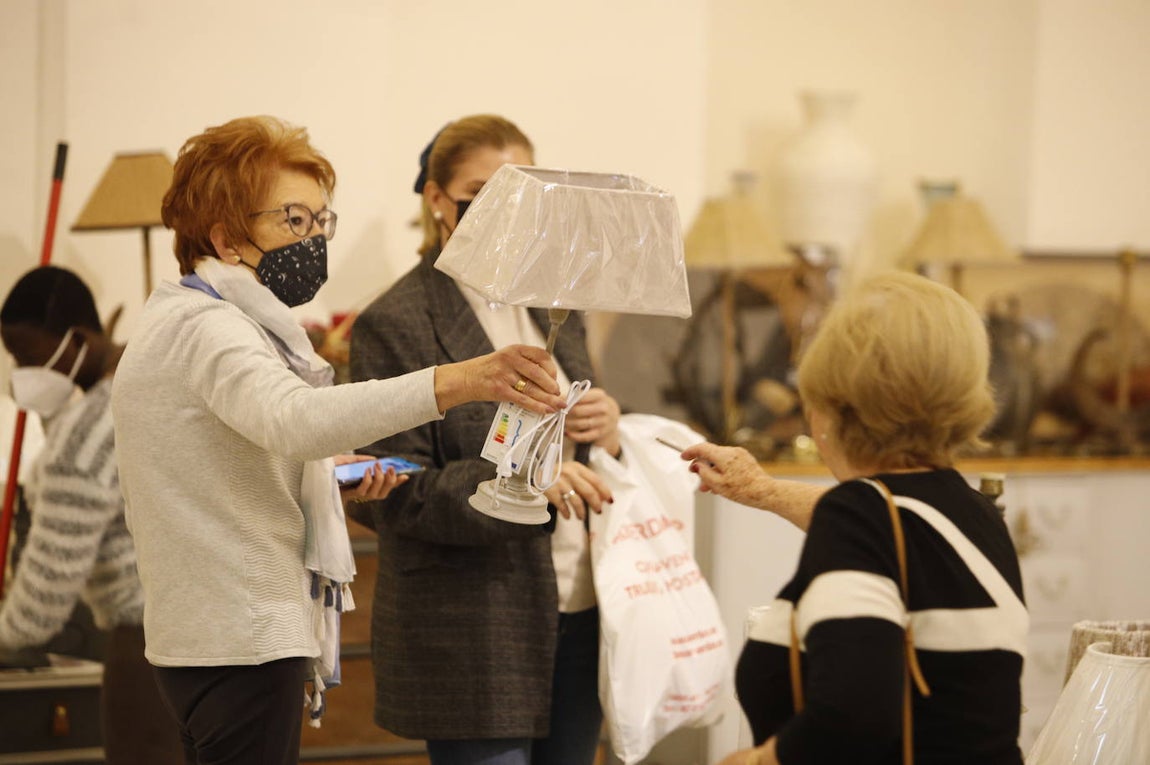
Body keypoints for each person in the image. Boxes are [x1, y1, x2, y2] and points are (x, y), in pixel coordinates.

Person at [110, 115, 565, 765]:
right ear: (223, 235)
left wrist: (327, 471)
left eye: (322, 221)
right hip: (237, 634)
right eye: (293, 220)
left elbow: (227, 460)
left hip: (216, 632)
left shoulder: (189, 316)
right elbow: (294, 419)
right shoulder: (209, 327)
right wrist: (457, 380)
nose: (313, 238)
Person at [348, 114, 622, 765]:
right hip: (472, 620)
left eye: (521, 192)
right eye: (481, 191)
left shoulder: (557, 305)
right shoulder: (397, 322)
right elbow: (390, 487)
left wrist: (609, 425)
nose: (503, 210)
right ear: (437, 198)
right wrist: (522, 482)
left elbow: (574, 437)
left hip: (576, 602)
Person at [682, 271, 1028, 765]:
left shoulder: (859, 516)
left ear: (831, 409)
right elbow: (895, 527)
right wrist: (761, 490)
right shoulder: (971, 512)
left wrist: (759, 760)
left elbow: (854, 717)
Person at [0, 265, 183, 764]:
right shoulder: (157, 378)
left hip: (146, 656)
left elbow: (39, 607)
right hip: (217, 640)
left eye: (28, 358)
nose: (21, 376)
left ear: (78, 339)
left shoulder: (82, 438)